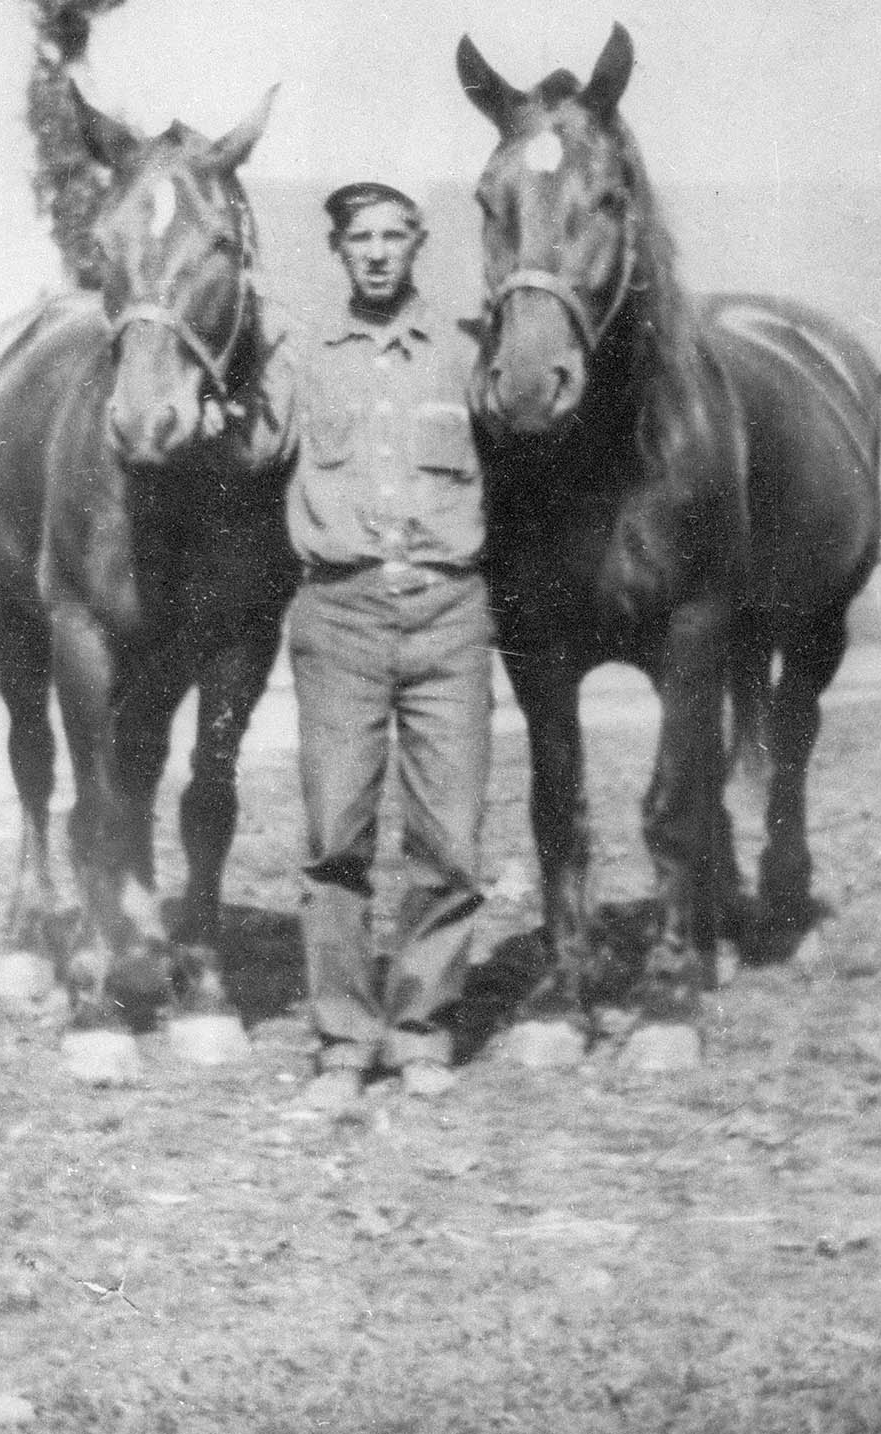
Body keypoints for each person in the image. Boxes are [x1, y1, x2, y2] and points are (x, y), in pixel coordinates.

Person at [284, 182, 493, 1110]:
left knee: (449, 843)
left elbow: (530, 441)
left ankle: (420, 1032)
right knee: (336, 837)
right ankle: (342, 1040)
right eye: (358, 238)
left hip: (449, 613)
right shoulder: (299, 357)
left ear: (418, 244)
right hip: (342, 614)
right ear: (338, 251)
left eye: (392, 236)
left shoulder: (466, 352)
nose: (375, 252)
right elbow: (251, 449)